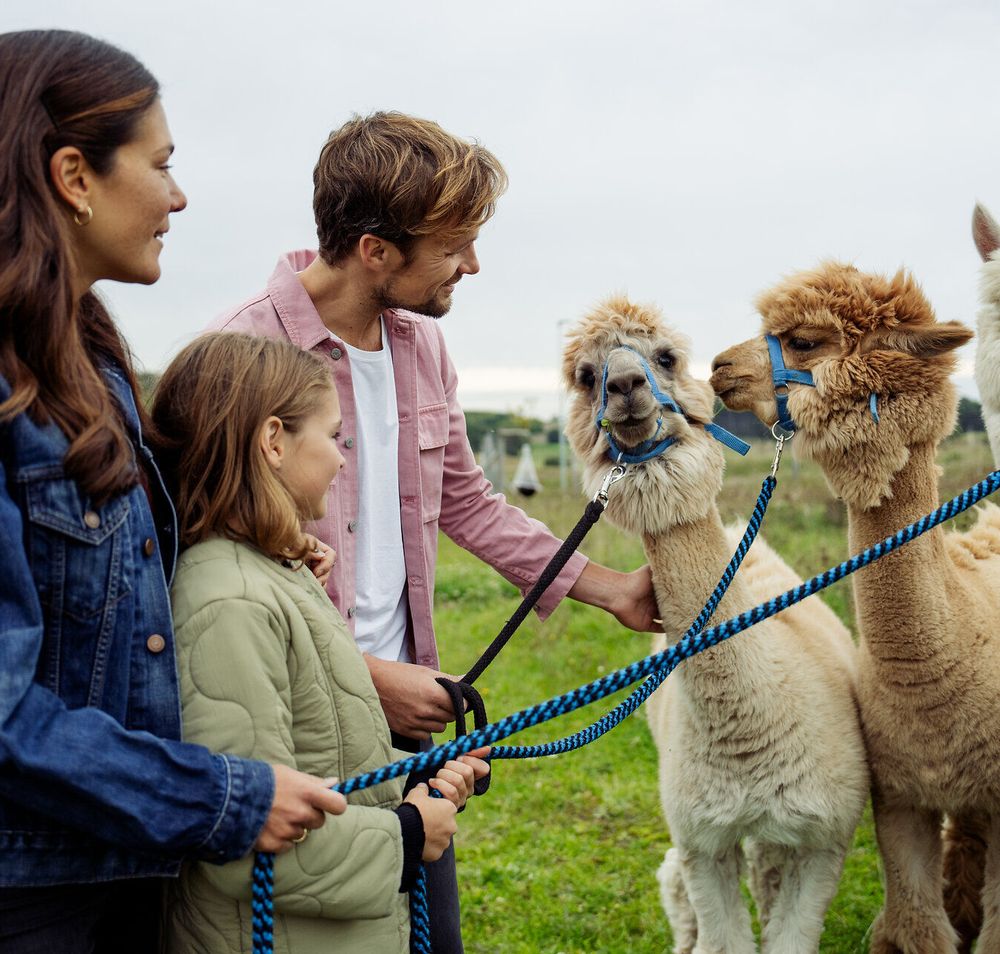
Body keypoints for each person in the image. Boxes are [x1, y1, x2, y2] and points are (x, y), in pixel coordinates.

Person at [210, 110, 660, 950]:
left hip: (408, 722)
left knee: (429, 935)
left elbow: (467, 501)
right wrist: (367, 676)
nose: (474, 265)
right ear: (376, 249)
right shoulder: (242, 352)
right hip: (297, 723)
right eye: (455, 246)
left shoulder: (422, 348)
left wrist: (614, 593)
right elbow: (222, 566)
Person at [0, 31, 345, 953]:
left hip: (121, 863)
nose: (179, 196)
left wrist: (254, 547)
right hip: (29, 894)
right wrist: (219, 796)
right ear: (74, 175)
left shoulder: (91, 360)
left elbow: (103, 575)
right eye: (161, 165)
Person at [152, 332, 490, 953]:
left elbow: (322, 757)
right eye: (333, 437)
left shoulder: (277, 579)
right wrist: (407, 836)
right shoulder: (230, 603)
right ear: (273, 440)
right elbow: (244, 843)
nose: (342, 460)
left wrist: (417, 777)